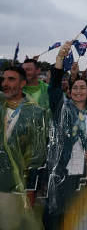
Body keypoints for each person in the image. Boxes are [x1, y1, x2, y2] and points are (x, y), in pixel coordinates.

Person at [47, 41, 87, 230]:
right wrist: (59, 59)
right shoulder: (62, 109)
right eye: (75, 88)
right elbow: (54, 88)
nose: (78, 90)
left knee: (86, 218)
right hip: (65, 172)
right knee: (64, 216)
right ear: (70, 92)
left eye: (83, 88)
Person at [0, 66, 46, 229]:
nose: (5, 83)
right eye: (3, 79)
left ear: (22, 84)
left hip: (13, 185)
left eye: (11, 79)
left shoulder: (36, 112)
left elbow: (37, 155)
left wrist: (31, 189)